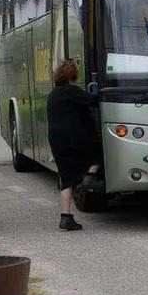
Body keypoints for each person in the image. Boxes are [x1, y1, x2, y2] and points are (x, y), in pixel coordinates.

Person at [47, 61, 102, 231]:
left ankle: (66, 217)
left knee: (66, 178)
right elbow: (93, 100)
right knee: (98, 154)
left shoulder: (53, 94)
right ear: (72, 77)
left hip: (56, 141)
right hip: (76, 138)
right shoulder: (72, 91)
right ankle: (89, 178)